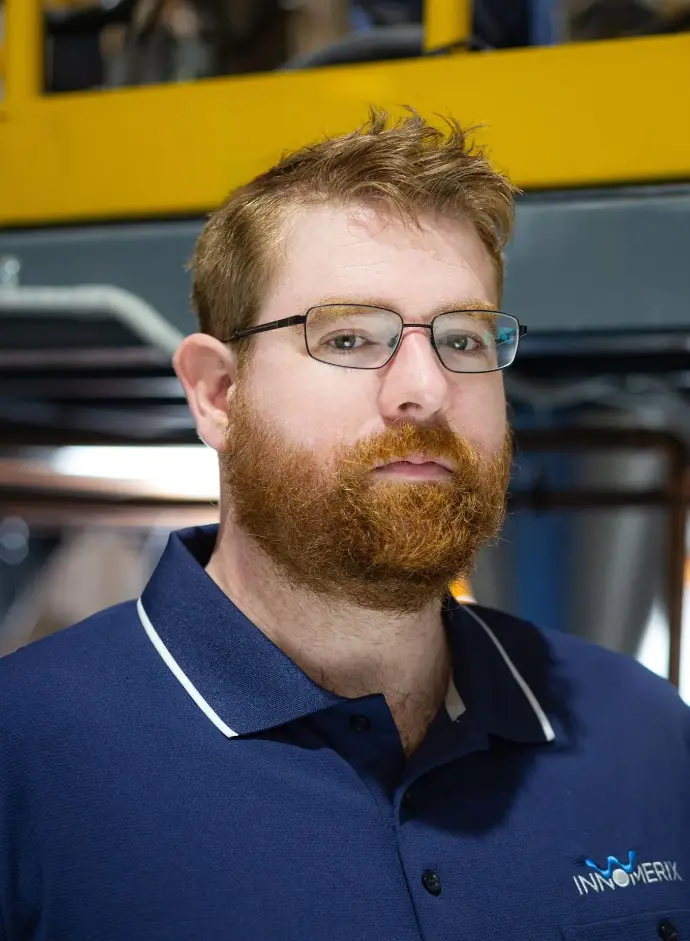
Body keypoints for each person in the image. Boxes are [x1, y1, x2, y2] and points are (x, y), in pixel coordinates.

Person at [1, 110, 689, 941]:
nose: (425, 389)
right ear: (218, 394)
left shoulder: (639, 732)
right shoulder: (27, 755)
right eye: (352, 336)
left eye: (464, 338)